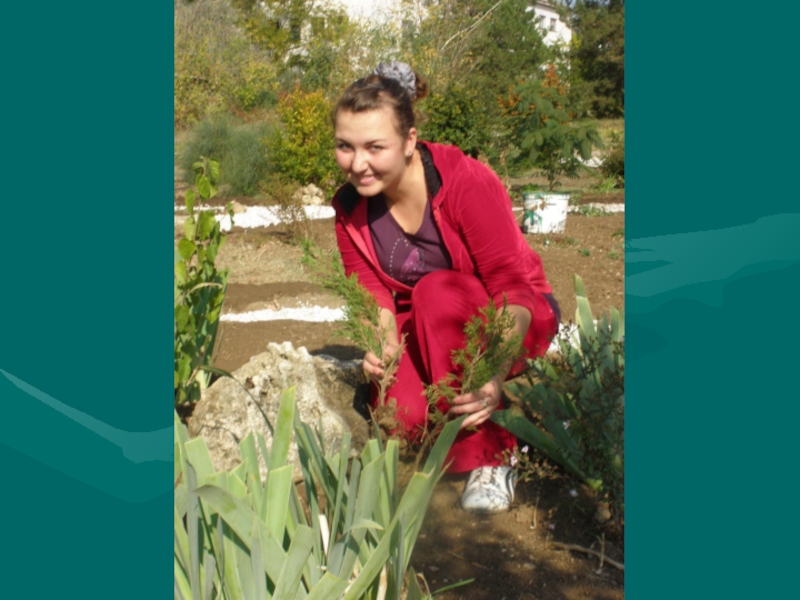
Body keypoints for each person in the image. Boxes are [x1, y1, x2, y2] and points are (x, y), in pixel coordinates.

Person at [330, 62, 561, 514]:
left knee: (435, 291)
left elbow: (511, 289)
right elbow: (372, 293)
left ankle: (492, 455)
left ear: (410, 141)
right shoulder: (350, 209)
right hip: (429, 323)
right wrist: (384, 344)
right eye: (345, 146)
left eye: (375, 147)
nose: (357, 164)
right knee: (402, 420)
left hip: (514, 315)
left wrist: (493, 371)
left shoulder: (463, 181)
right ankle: (459, 410)